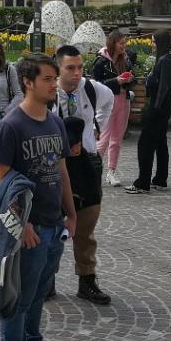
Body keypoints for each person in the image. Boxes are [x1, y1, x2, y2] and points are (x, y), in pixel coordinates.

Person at [0, 53, 78, 341]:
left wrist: (71, 213)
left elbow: (61, 169)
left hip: (53, 225)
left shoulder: (54, 122)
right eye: (47, 79)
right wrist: (20, 225)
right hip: (28, 228)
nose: (54, 85)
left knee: (39, 293)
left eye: (55, 78)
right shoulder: (11, 125)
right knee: (18, 295)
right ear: (28, 82)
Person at [53, 45, 114, 306]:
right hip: (56, 163)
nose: (77, 73)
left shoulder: (91, 88)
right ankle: (46, 280)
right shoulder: (48, 92)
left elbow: (110, 100)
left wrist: (97, 128)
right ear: (58, 69)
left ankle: (87, 281)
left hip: (87, 161)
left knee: (87, 224)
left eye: (80, 67)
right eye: (70, 68)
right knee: (51, 223)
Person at [125, 30, 171, 194]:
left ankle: (143, 182)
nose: (153, 45)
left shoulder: (166, 59)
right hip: (163, 104)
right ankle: (160, 179)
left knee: (145, 143)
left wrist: (155, 108)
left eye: (154, 42)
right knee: (160, 141)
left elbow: (163, 87)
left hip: (159, 105)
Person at [91, 31, 135, 187]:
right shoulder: (101, 61)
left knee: (117, 139)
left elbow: (133, 78)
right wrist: (116, 81)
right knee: (103, 138)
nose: (124, 46)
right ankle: (93, 171)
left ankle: (111, 171)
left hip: (124, 100)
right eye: (121, 43)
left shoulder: (125, 59)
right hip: (108, 101)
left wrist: (129, 79)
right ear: (113, 43)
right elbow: (96, 84)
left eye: (125, 43)